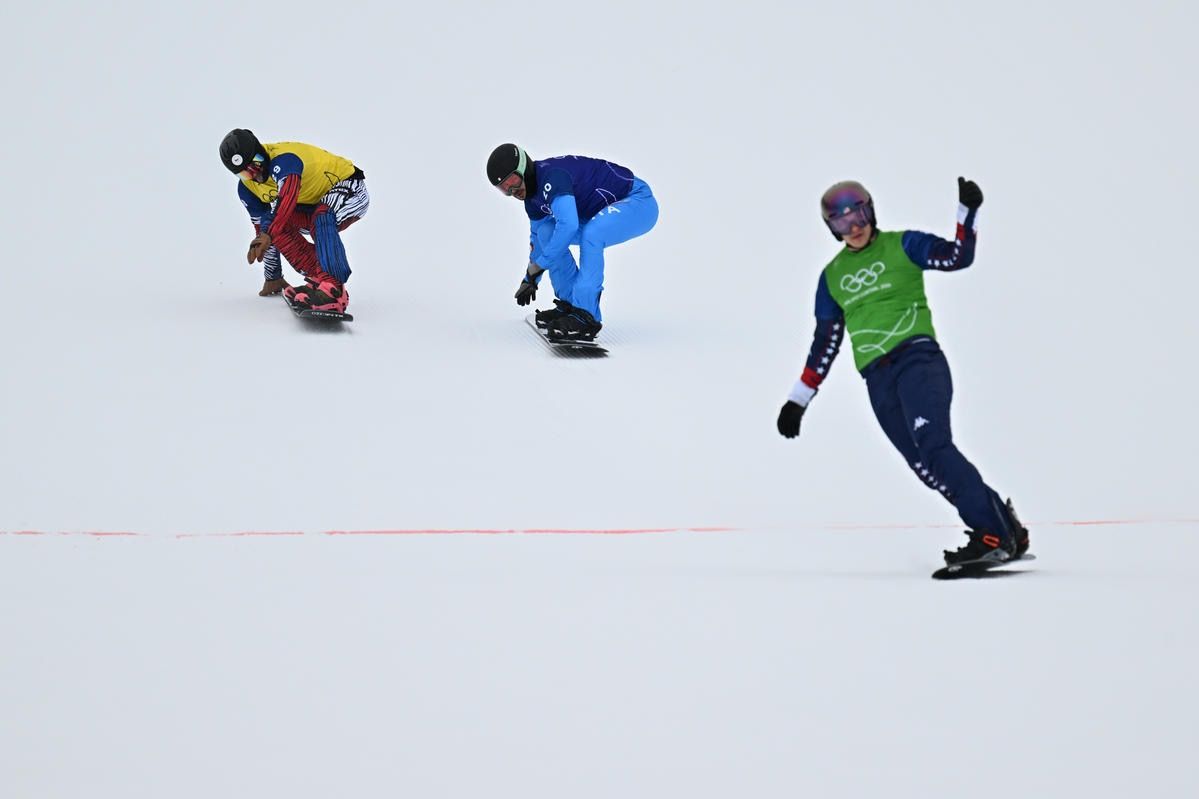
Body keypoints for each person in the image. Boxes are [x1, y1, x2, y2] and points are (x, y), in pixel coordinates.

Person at [776, 178, 1030, 566]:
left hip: (917, 361)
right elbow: (825, 342)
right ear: (832, 229)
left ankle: (990, 534)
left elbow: (957, 257)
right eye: (842, 223)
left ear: (871, 212)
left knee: (935, 447)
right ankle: (1008, 530)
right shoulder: (831, 278)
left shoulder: (903, 244)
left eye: (859, 216)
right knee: (926, 468)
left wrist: (967, 213)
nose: (854, 228)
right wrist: (799, 399)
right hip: (878, 380)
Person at [487, 144, 659, 339]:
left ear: (524, 168)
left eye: (513, 181)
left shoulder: (553, 178)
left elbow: (568, 226)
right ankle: (571, 305)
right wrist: (530, 278)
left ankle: (586, 315)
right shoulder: (532, 199)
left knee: (592, 235)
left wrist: (540, 265)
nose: (513, 191)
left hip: (638, 201)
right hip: (600, 211)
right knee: (546, 231)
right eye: (504, 188)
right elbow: (538, 240)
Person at [218, 129, 368, 312]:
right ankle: (320, 277)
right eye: (245, 173)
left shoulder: (284, 160)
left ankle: (333, 290)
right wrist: (273, 276)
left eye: (256, 164)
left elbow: (288, 197)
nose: (255, 175)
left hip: (350, 188)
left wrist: (268, 233)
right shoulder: (247, 189)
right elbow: (262, 234)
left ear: (261, 151)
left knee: (321, 216)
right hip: (312, 205)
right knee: (270, 223)